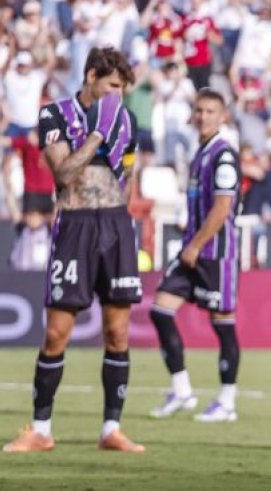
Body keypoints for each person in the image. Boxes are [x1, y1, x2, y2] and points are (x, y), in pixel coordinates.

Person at [4, 48, 141, 453]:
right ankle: (41, 430)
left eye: (122, 89)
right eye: (113, 86)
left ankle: (110, 429)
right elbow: (62, 172)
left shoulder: (126, 119)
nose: (118, 95)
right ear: (92, 76)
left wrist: (118, 218)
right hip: (74, 227)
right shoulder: (55, 115)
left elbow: (127, 176)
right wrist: (97, 133)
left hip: (114, 227)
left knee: (117, 332)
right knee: (56, 333)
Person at [148, 88, 243, 423]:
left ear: (223, 116)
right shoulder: (199, 152)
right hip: (193, 249)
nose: (202, 116)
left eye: (210, 111)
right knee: (160, 310)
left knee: (223, 326)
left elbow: (222, 208)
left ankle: (227, 402)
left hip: (215, 254)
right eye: (199, 111)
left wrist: (196, 244)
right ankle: (182, 390)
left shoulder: (223, 155)